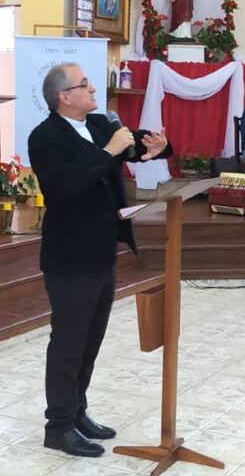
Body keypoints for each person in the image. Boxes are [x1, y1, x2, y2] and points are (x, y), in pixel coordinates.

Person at [28, 62, 171, 459]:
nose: (93, 89)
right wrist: (109, 151)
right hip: (69, 253)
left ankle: (77, 411)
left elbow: (135, 146)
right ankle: (58, 425)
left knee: (91, 337)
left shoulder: (97, 123)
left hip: (102, 249)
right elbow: (66, 186)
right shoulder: (45, 137)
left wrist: (158, 148)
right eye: (85, 84)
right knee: (69, 340)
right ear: (64, 96)